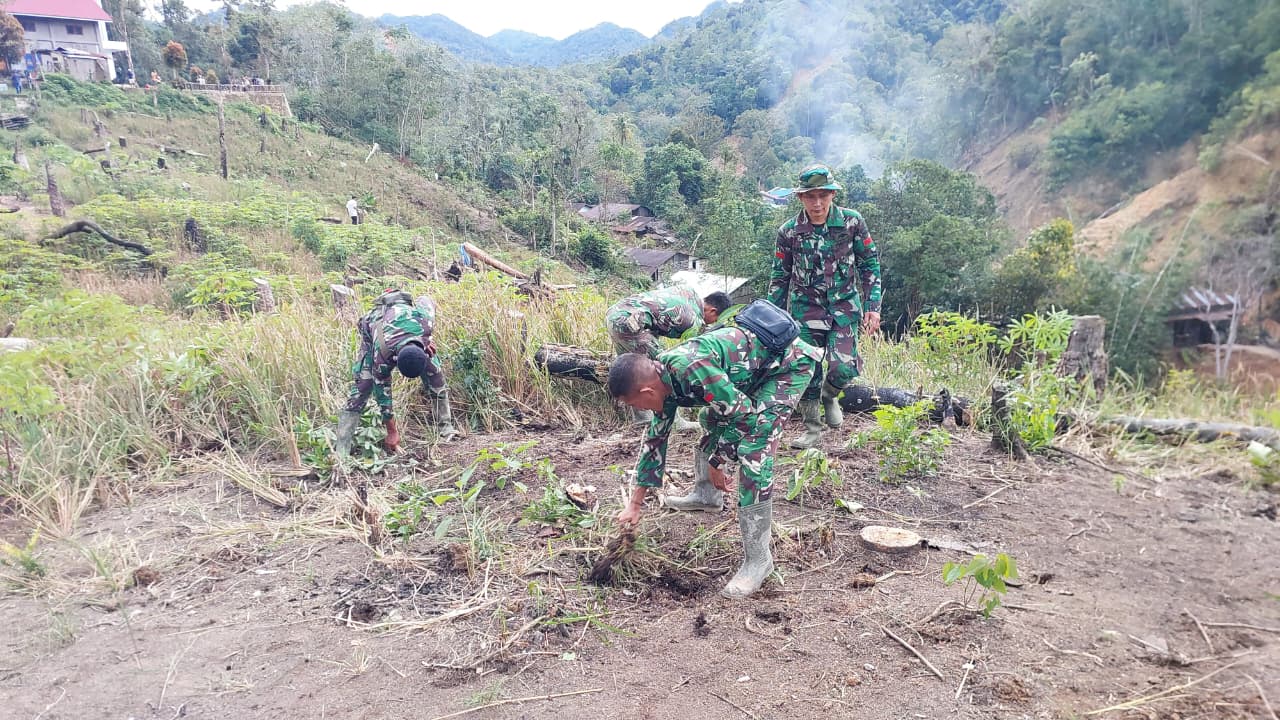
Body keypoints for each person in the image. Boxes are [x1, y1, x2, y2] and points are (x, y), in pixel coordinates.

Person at [609, 321, 820, 598]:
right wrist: (634, 505)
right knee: (710, 418)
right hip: (756, 372)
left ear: (646, 393)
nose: (640, 411)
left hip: (788, 366)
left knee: (755, 448)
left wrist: (718, 460)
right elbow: (655, 440)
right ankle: (706, 496)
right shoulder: (663, 380)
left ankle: (759, 561)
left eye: (636, 406)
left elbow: (744, 416)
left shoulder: (691, 369)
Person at [768, 164, 882, 449]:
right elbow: (780, 277)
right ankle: (812, 428)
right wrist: (772, 318)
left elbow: (870, 264)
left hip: (843, 308)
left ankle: (829, 396)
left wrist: (873, 305)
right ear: (800, 198)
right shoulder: (789, 232)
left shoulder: (852, 223)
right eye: (810, 197)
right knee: (805, 367)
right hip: (805, 311)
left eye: (823, 195)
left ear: (832, 194)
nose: (817, 203)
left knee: (844, 367)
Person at [335, 289, 458, 456]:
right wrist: (392, 431)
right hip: (374, 326)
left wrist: (426, 340)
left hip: (412, 334)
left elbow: (425, 298)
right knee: (363, 386)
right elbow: (383, 395)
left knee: (435, 374)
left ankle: (446, 428)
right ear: (395, 359)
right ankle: (341, 449)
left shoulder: (425, 322)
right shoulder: (382, 355)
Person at [605, 286, 730, 427]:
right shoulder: (693, 318)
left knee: (633, 371)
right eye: (714, 320)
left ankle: (642, 418)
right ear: (713, 311)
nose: (711, 323)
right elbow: (690, 355)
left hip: (615, 315)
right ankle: (675, 421)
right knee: (662, 370)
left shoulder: (688, 294)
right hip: (629, 324)